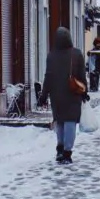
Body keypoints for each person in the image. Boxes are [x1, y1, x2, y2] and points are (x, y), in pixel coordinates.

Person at [38, 26, 88, 164]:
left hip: (56, 95)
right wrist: (85, 92)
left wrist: (43, 96)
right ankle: (67, 152)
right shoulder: (77, 54)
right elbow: (82, 76)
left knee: (59, 121)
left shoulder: (51, 56)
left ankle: (59, 148)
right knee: (70, 122)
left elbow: (48, 77)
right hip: (73, 93)